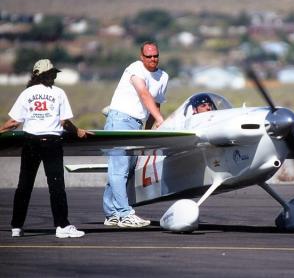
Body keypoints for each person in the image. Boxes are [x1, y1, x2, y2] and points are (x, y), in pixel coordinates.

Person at [0, 59, 91, 238]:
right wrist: (78, 131)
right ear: (43, 75)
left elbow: (14, 122)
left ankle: (16, 226)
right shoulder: (58, 93)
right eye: (51, 74)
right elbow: (64, 122)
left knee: (24, 185)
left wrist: (0, 129)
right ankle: (62, 226)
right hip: (52, 142)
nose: (54, 76)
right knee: (56, 185)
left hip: (30, 142)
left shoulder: (27, 93)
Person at [103, 41, 168, 228]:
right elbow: (144, 94)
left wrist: (147, 131)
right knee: (119, 170)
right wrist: (160, 120)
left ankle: (111, 213)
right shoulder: (135, 68)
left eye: (155, 55)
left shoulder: (163, 76)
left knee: (125, 171)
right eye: (149, 56)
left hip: (136, 125)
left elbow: (156, 103)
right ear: (142, 57)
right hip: (120, 121)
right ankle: (125, 214)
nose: (153, 59)